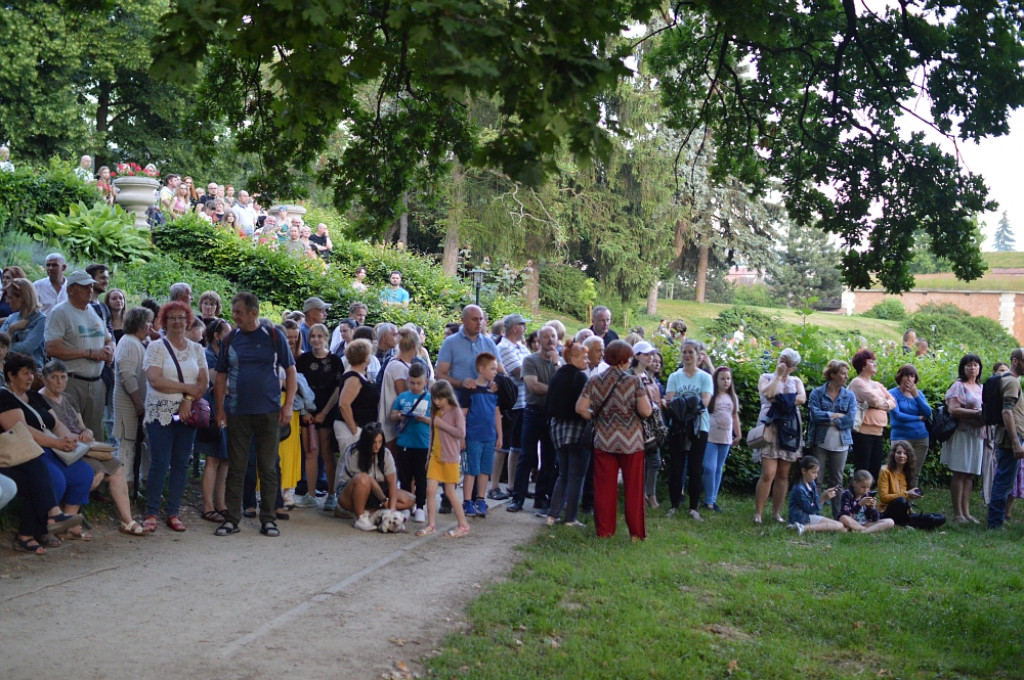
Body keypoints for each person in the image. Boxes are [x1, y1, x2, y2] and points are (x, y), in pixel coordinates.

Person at [214, 292, 297, 538]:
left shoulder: (273, 336)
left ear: (254, 313)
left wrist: (288, 405)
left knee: (269, 466)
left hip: (269, 412)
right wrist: (220, 409)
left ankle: (268, 519)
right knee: (237, 467)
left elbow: (291, 370)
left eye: (239, 312)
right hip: (238, 412)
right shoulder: (230, 339)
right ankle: (232, 519)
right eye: (234, 311)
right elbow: (220, 375)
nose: (234, 316)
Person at [38, 359, 147, 536]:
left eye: (63, 377)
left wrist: (86, 432)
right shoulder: (40, 399)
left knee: (116, 467)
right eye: (54, 377)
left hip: (84, 445)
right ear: (44, 379)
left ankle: (127, 520)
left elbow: (81, 426)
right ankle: (67, 520)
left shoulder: (68, 398)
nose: (59, 381)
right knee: (96, 474)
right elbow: (51, 431)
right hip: (64, 449)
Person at [0, 352, 94, 542]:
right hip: (28, 452)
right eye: (25, 373)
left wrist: (68, 438)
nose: (30, 378)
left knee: (83, 472)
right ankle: (39, 529)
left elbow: (56, 423)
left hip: (51, 449)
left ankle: (63, 524)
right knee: (55, 479)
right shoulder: (4, 396)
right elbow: (21, 431)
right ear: (11, 375)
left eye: (32, 373)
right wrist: (56, 443)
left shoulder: (34, 396)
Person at [576, 340, 653, 540]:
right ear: (625, 359)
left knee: (604, 490)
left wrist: (596, 417)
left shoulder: (595, 380)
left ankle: (605, 532)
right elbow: (645, 411)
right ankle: (636, 534)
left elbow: (580, 408)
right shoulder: (634, 381)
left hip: (604, 441)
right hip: (632, 443)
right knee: (633, 490)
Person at [141, 301, 208, 532]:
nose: (177, 322)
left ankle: (173, 511)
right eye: (172, 318)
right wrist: (186, 389)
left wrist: (187, 400)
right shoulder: (156, 347)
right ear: (164, 321)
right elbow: (155, 380)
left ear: (188, 320)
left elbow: (203, 383)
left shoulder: (197, 349)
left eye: (181, 317)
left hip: (186, 414)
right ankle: (151, 511)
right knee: (160, 462)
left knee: (180, 463)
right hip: (160, 412)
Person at [44, 270, 115, 439]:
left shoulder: (92, 310)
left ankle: (93, 467)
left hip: (96, 383)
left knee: (94, 435)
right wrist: (88, 353)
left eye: (90, 286)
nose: (89, 290)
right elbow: (51, 348)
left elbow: (108, 338)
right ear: (70, 290)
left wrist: (110, 350)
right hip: (70, 382)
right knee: (71, 434)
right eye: (84, 287)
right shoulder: (60, 312)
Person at [509, 325, 560, 512]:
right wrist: (555, 390)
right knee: (527, 456)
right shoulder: (530, 360)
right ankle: (518, 498)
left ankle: (541, 498)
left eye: (553, 336)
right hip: (533, 412)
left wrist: (557, 365)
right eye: (546, 336)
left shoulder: (559, 363)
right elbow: (533, 387)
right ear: (539, 340)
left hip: (552, 414)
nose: (550, 340)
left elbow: (564, 384)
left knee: (549, 458)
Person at [753, 348, 807, 524]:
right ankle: (758, 513)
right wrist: (777, 376)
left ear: (793, 367)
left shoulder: (796, 380)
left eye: (787, 363)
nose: (782, 364)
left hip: (790, 427)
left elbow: (802, 399)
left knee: (783, 474)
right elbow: (768, 393)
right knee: (768, 473)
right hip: (769, 425)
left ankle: (776, 513)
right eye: (781, 359)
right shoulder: (766, 377)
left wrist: (780, 399)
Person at [664, 339, 714, 521]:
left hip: (699, 427)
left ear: (698, 355)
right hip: (678, 426)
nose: (686, 355)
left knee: (695, 467)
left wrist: (682, 404)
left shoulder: (705, 377)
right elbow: (670, 401)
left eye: (690, 352)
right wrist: (684, 406)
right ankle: (674, 505)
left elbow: (705, 402)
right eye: (684, 352)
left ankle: (694, 507)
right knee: (676, 467)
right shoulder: (675, 376)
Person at [295, 323, 343, 509]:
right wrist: (306, 411)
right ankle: (311, 493)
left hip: (327, 411)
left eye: (319, 336)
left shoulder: (335, 361)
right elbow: (298, 384)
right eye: (313, 336)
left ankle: (331, 494)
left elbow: (338, 388)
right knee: (310, 452)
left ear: (326, 338)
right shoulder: (304, 359)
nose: (316, 339)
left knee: (327, 453)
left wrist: (323, 412)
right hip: (307, 410)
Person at [336, 422, 416, 530]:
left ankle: (378, 512)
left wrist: (391, 508)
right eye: (374, 442)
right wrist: (384, 501)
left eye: (380, 442)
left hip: (378, 493)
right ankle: (360, 518)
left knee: (410, 499)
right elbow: (367, 480)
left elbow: (392, 482)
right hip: (353, 492)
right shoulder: (354, 453)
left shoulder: (386, 453)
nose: (377, 446)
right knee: (362, 479)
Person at [545, 340, 590, 527]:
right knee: (576, 475)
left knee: (563, 474)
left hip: (557, 431)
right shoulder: (579, 377)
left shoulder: (557, 376)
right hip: (576, 431)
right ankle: (571, 518)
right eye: (584, 357)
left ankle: (552, 515)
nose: (587, 360)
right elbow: (582, 406)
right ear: (573, 358)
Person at [331, 338, 380, 511]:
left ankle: (349, 502)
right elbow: (344, 404)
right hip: (350, 428)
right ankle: (341, 503)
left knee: (353, 464)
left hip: (358, 427)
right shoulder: (353, 377)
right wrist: (355, 430)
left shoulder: (359, 375)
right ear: (364, 357)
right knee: (348, 464)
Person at [417, 380, 470, 537]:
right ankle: (431, 524)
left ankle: (463, 525)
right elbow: (432, 436)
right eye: (434, 398)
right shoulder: (436, 411)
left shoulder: (456, 412)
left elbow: (461, 433)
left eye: (440, 398)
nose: (436, 402)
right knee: (430, 489)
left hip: (450, 458)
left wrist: (441, 424)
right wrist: (428, 457)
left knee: (450, 492)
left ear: (448, 396)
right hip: (435, 455)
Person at [806, 359, 857, 509]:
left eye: (847, 373)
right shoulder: (817, 393)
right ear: (833, 374)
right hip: (820, 442)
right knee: (816, 479)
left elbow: (850, 420)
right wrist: (836, 415)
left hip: (841, 443)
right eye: (843, 373)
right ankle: (813, 512)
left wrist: (827, 417)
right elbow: (814, 416)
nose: (846, 376)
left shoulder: (850, 396)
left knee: (837, 482)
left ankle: (839, 515)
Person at [941, 353, 985, 524]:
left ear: (979, 368)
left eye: (975, 364)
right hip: (962, 433)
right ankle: (957, 513)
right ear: (963, 368)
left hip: (977, 434)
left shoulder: (981, 388)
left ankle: (966, 512)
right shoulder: (958, 386)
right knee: (960, 472)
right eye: (968, 365)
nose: (972, 367)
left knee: (970, 474)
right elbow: (953, 409)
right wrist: (977, 413)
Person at [458, 352, 502, 518]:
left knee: (485, 470)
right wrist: (462, 436)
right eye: (492, 368)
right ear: (482, 369)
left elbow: (497, 413)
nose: (495, 372)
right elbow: (463, 413)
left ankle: (481, 499)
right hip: (473, 435)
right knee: (471, 469)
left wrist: (500, 435)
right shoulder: (469, 389)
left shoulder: (493, 390)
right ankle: (467, 500)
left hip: (489, 436)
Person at [491, 313, 529, 500]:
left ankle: (512, 486)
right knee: (503, 446)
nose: (525, 329)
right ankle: (494, 486)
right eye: (523, 325)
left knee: (517, 447)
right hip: (509, 404)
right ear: (515, 327)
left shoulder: (521, 347)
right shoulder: (504, 348)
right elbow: (521, 372)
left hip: (523, 402)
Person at [113, 307, 152, 488]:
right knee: (126, 448)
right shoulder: (128, 342)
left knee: (134, 446)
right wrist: (138, 403)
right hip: (128, 406)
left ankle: (133, 486)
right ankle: (123, 488)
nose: (150, 326)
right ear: (140, 323)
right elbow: (127, 374)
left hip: (135, 405)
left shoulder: (135, 342)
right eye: (147, 322)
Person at [196, 318, 231, 523]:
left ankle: (222, 503)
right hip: (211, 413)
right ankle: (208, 506)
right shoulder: (208, 355)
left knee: (224, 459)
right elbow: (218, 384)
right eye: (227, 333)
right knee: (212, 459)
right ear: (217, 335)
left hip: (227, 412)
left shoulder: (226, 357)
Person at [390, 362, 432, 523]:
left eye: (419, 383)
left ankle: (420, 506)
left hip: (422, 444)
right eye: (412, 383)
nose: (415, 386)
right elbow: (392, 416)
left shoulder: (429, 398)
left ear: (425, 382)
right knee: (405, 476)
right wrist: (400, 415)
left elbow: (436, 420)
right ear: (408, 380)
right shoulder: (402, 397)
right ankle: (407, 505)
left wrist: (424, 419)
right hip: (404, 443)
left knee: (421, 478)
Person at [987, 348, 1024, 529]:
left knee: (1005, 480)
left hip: (1010, 437)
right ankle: (995, 524)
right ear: (1016, 361)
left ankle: (997, 520)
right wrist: (1016, 441)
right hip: (1010, 439)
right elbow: (1007, 411)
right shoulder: (1011, 382)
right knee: (1003, 482)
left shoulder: (1012, 381)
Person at [847, 349, 895, 482]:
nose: (875, 364)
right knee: (863, 469)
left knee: (874, 470)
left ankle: (870, 500)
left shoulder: (877, 384)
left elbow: (893, 402)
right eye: (871, 361)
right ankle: (857, 500)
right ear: (863, 364)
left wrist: (878, 403)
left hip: (878, 433)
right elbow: (874, 400)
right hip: (863, 432)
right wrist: (880, 403)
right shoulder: (857, 382)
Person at [704, 366, 741, 513]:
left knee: (718, 469)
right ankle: (707, 498)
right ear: (716, 380)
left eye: (728, 378)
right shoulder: (711, 395)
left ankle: (712, 501)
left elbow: (734, 416)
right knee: (709, 468)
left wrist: (738, 434)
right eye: (722, 378)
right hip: (710, 438)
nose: (726, 381)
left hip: (725, 439)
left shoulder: (732, 397)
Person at [889, 364, 932, 483]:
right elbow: (897, 415)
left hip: (921, 438)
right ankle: (897, 499)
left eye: (912, 376)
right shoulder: (892, 393)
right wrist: (917, 418)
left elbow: (928, 412)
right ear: (900, 377)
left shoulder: (918, 393)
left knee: (914, 472)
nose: (909, 379)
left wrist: (916, 396)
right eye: (906, 375)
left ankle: (910, 499)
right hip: (900, 437)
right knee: (898, 471)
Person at [787, 455, 846, 535]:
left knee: (842, 529)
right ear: (804, 471)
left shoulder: (812, 483)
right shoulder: (799, 489)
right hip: (802, 518)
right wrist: (823, 498)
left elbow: (815, 502)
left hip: (809, 516)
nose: (816, 475)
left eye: (817, 472)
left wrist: (826, 495)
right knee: (839, 525)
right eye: (813, 472)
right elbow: (810, 510)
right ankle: (802, 527)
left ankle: (799, 527)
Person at [877, 439, 925, 526]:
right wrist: (906, 494)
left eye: (905, 453)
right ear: (893, 454)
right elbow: (884, 497)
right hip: (886, 511)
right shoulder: (885, 471)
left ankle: (907, 521)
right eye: (899, 453)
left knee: (939, 518)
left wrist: (912, 495)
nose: (902, 456)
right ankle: (905, 523)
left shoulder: (908, 471)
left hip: (904, 511)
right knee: (901, 501)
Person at [0, 277, 46, 367]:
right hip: (9, 368)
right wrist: (11, 329)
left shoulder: (40, 319)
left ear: (23, 298)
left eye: (10, 297)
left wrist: (5, 348)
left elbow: (27, 348)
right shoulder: (11, 318)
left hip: (31, 370)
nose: (7, 301)